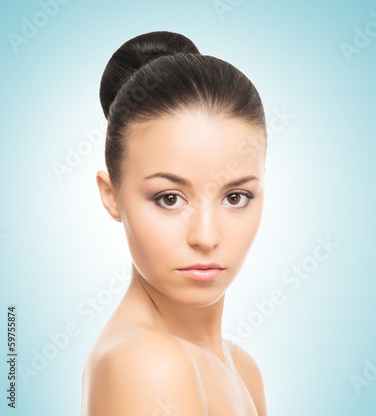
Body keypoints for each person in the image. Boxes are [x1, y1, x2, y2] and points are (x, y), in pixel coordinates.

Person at [81, 31, 268, 415]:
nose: (205, 237)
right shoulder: (148, 365)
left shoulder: (244, 369)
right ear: (111, 195)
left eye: (235, 197)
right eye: (169, 199)